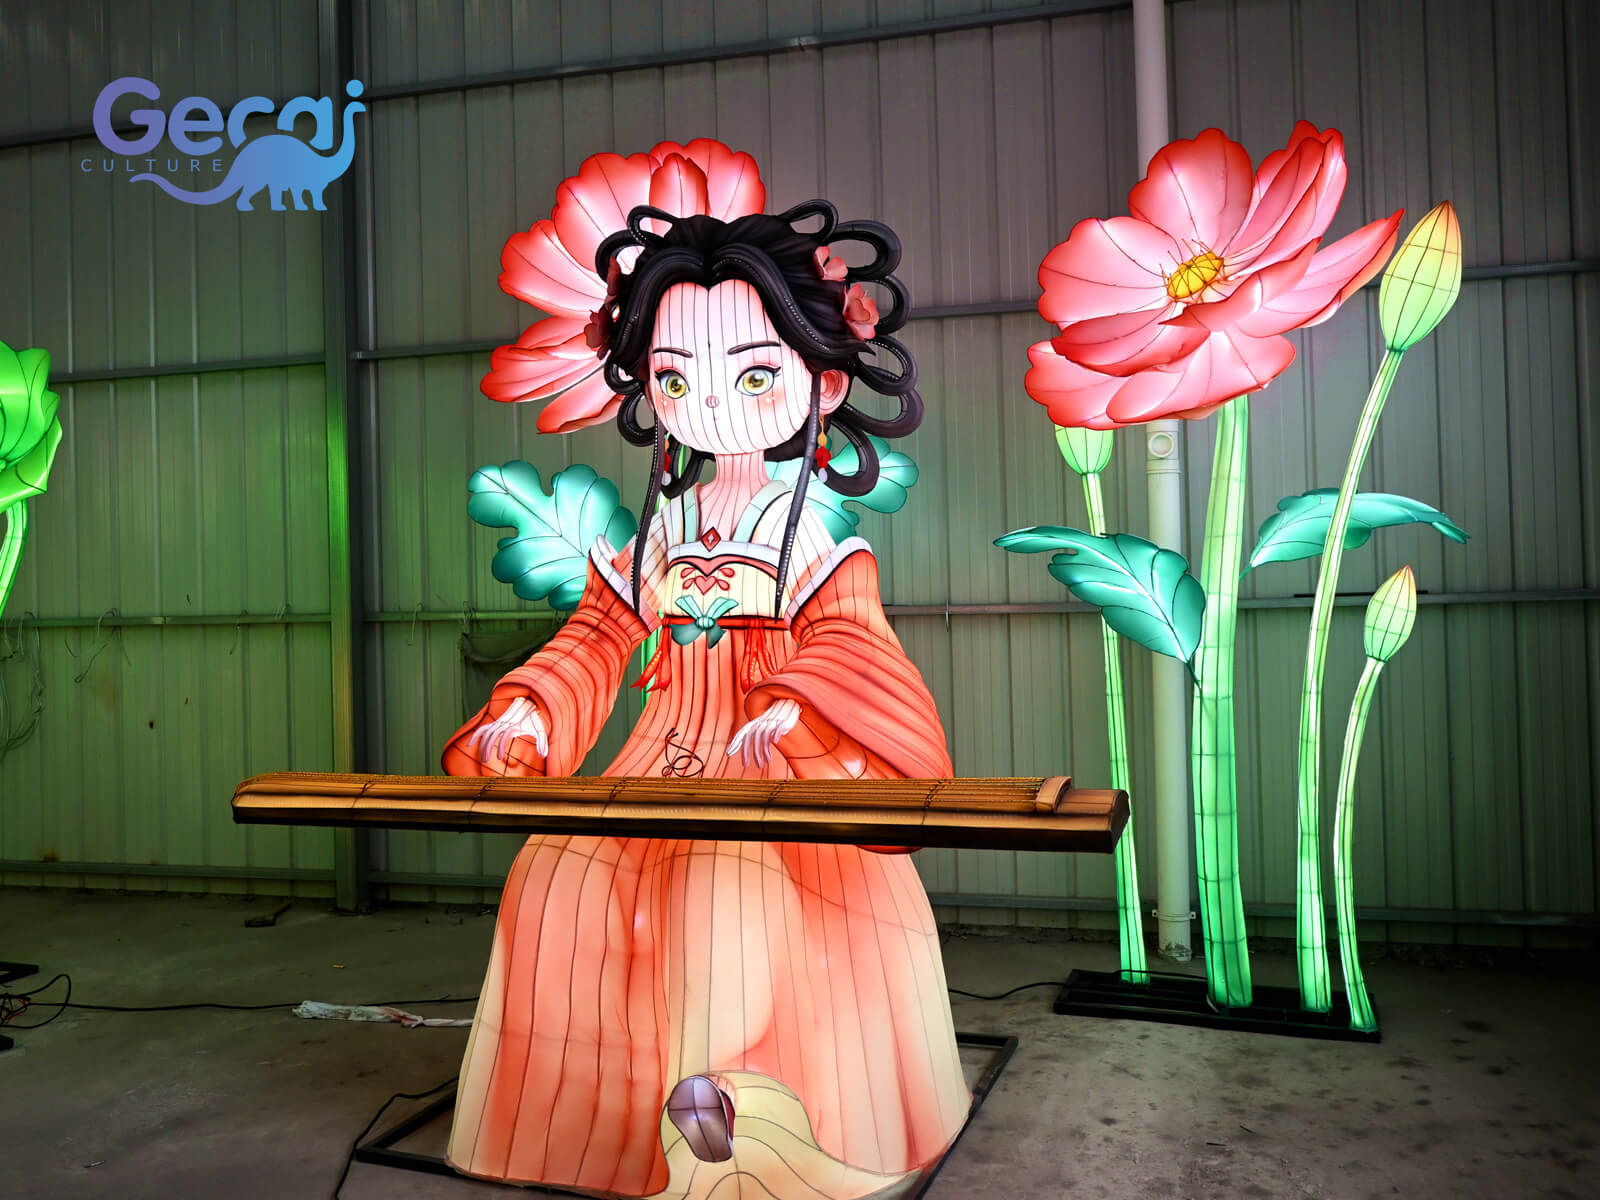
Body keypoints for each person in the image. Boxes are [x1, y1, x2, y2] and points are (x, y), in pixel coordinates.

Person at [441, 141, 969, 1199]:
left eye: (754, 375)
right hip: (655, 759)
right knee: (553, 885)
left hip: (769, 768)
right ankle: (588, 1134)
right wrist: (532, 711)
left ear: (822, 381)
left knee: (728, 911)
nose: (712, 405)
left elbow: (850, 643)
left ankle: (726, 1121)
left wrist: (798, 712)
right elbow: (599, 635)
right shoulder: (663, 528)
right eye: (678, 377)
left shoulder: (808, 532)